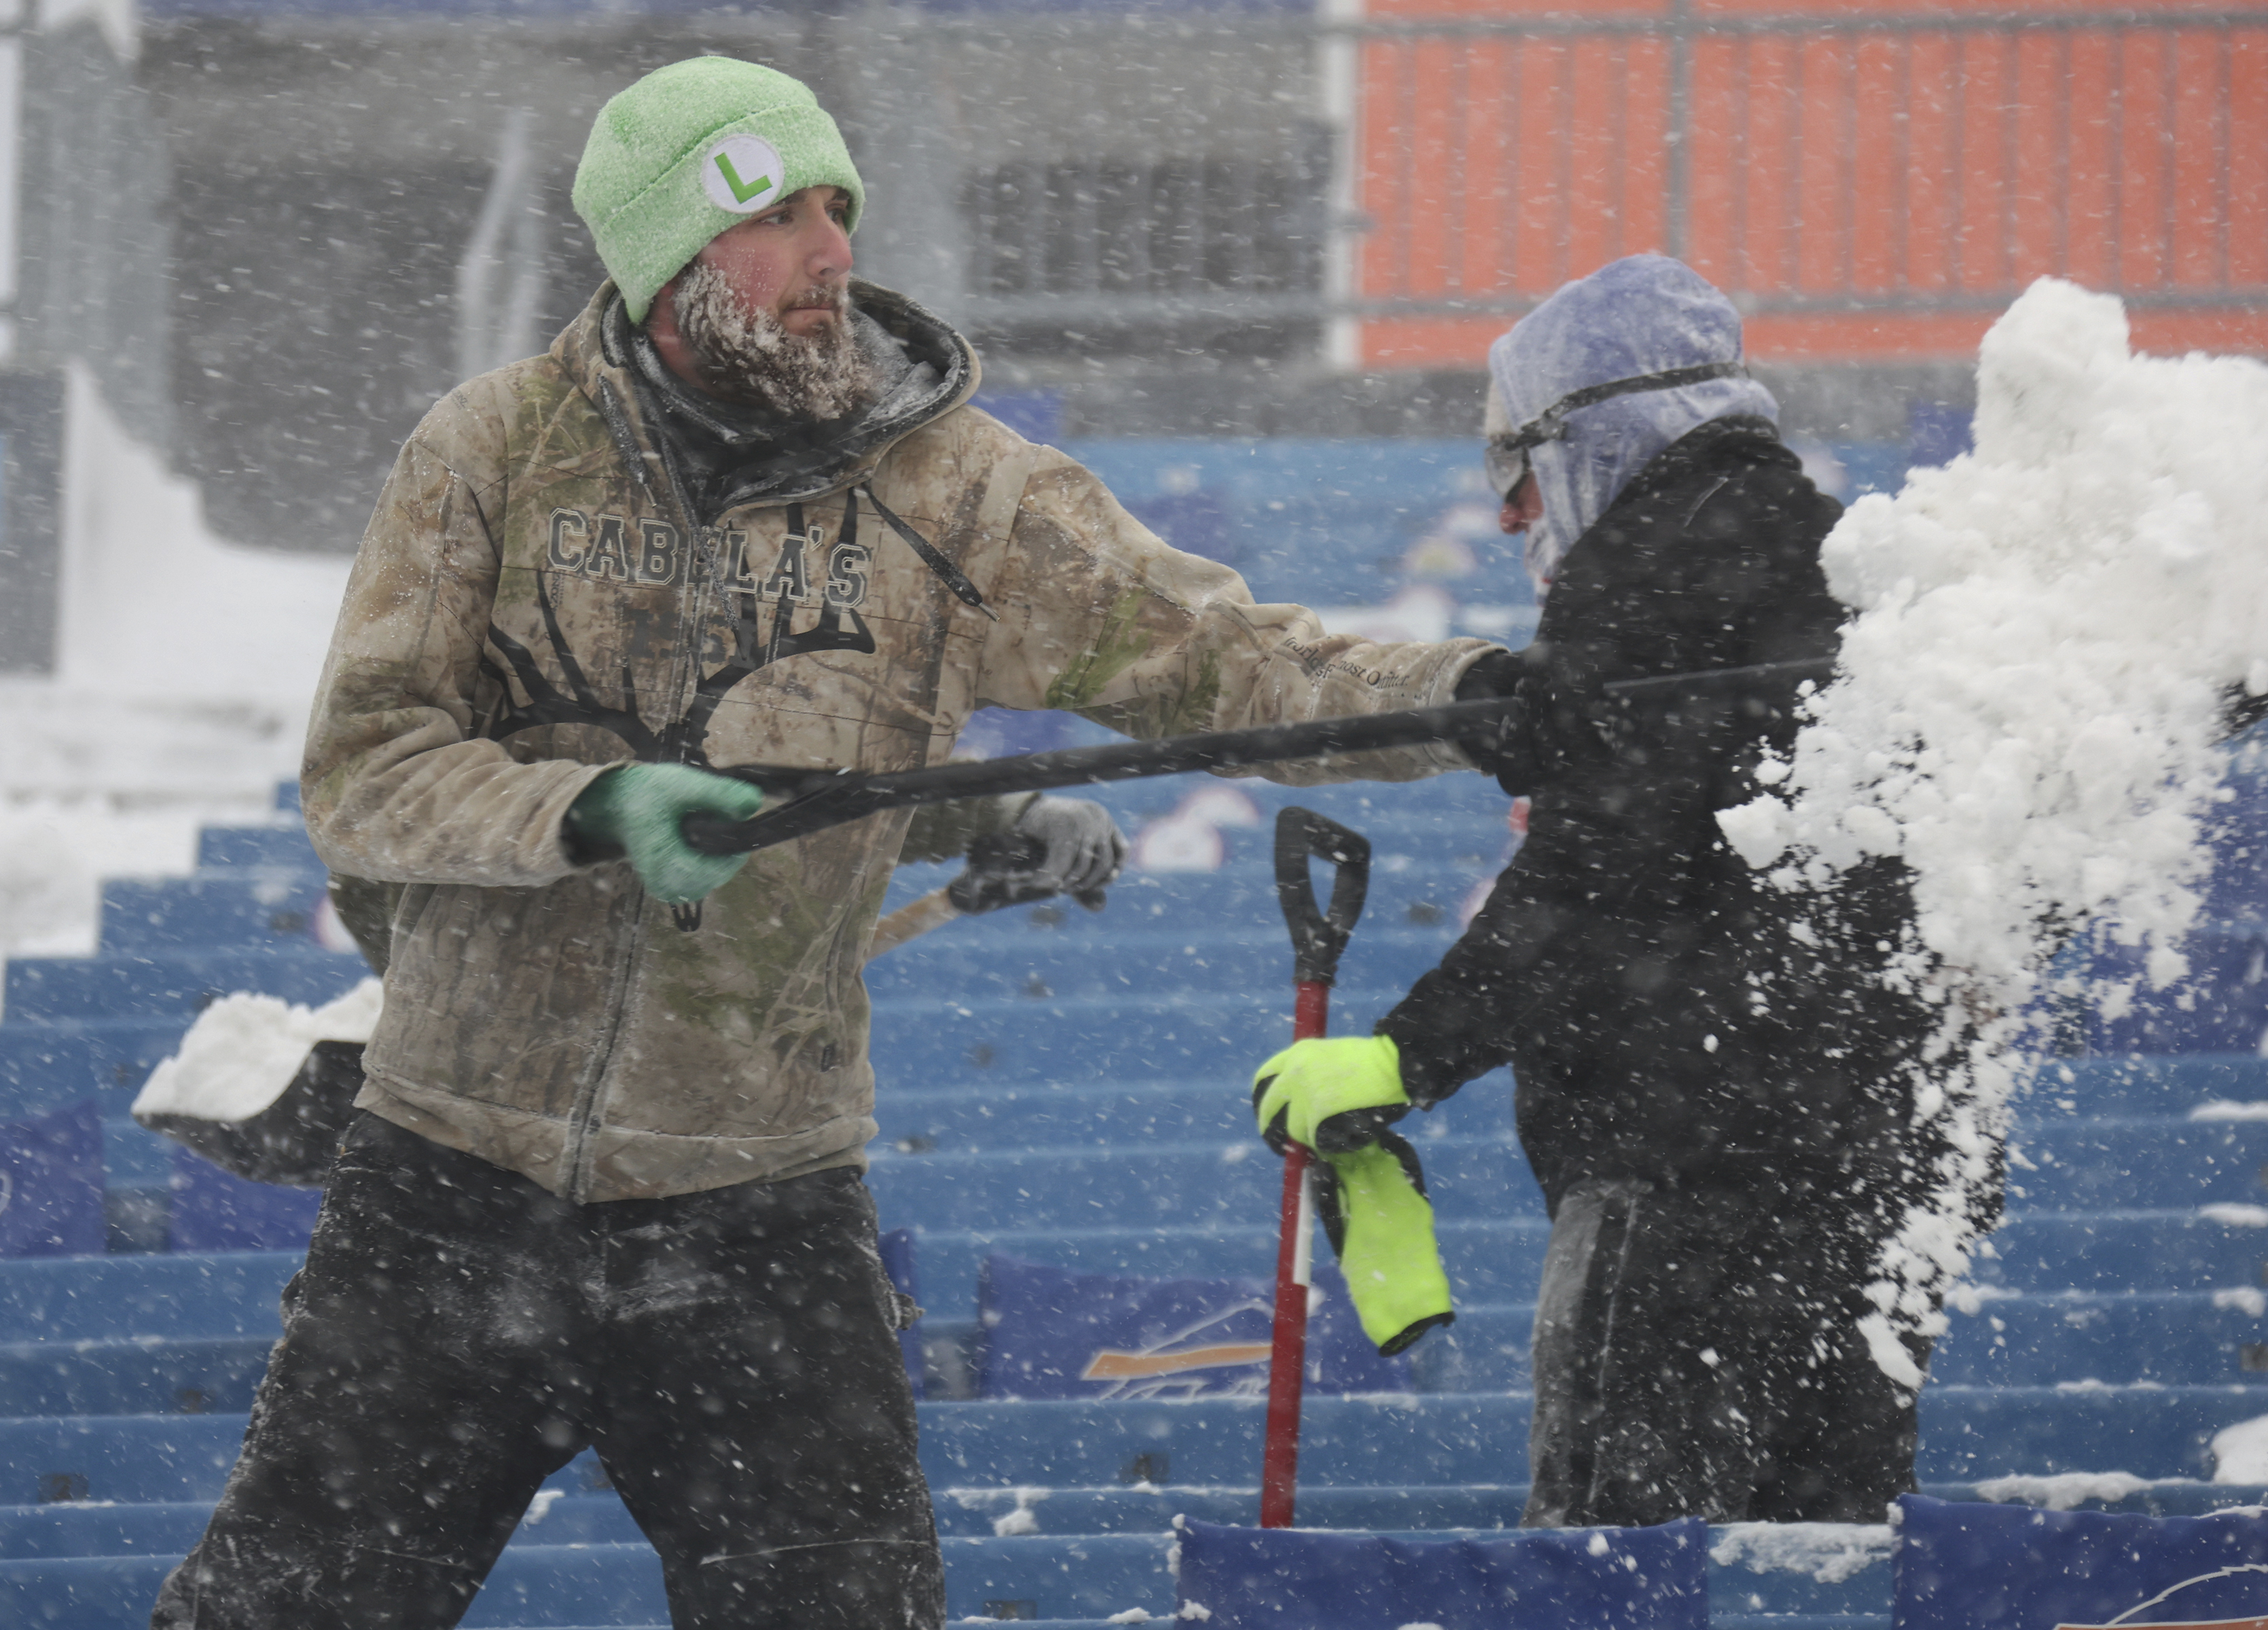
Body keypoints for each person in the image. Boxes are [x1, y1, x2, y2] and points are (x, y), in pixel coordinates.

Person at [154, 56, 1524, 1630]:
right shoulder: (494, 453)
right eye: (778, 217)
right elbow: (369, 773)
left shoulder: (961, 492)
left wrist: (1472, 698)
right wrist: (587, 809)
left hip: (759, 1198)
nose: (831, 255)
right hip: (449, 1179)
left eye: (837, 211)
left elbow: (1233, 665)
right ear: (669, 261)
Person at [1250, 255, 1964, 1529]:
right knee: (1823, 1566)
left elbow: (1599, 883)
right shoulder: (1827, 564)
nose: (1516, 518)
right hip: (1867, 1184)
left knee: (1617, 1564)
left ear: (1588, 433)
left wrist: (1402, 1058)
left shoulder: (1647, 573)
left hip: (1686, 1178)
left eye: (1512, 469)